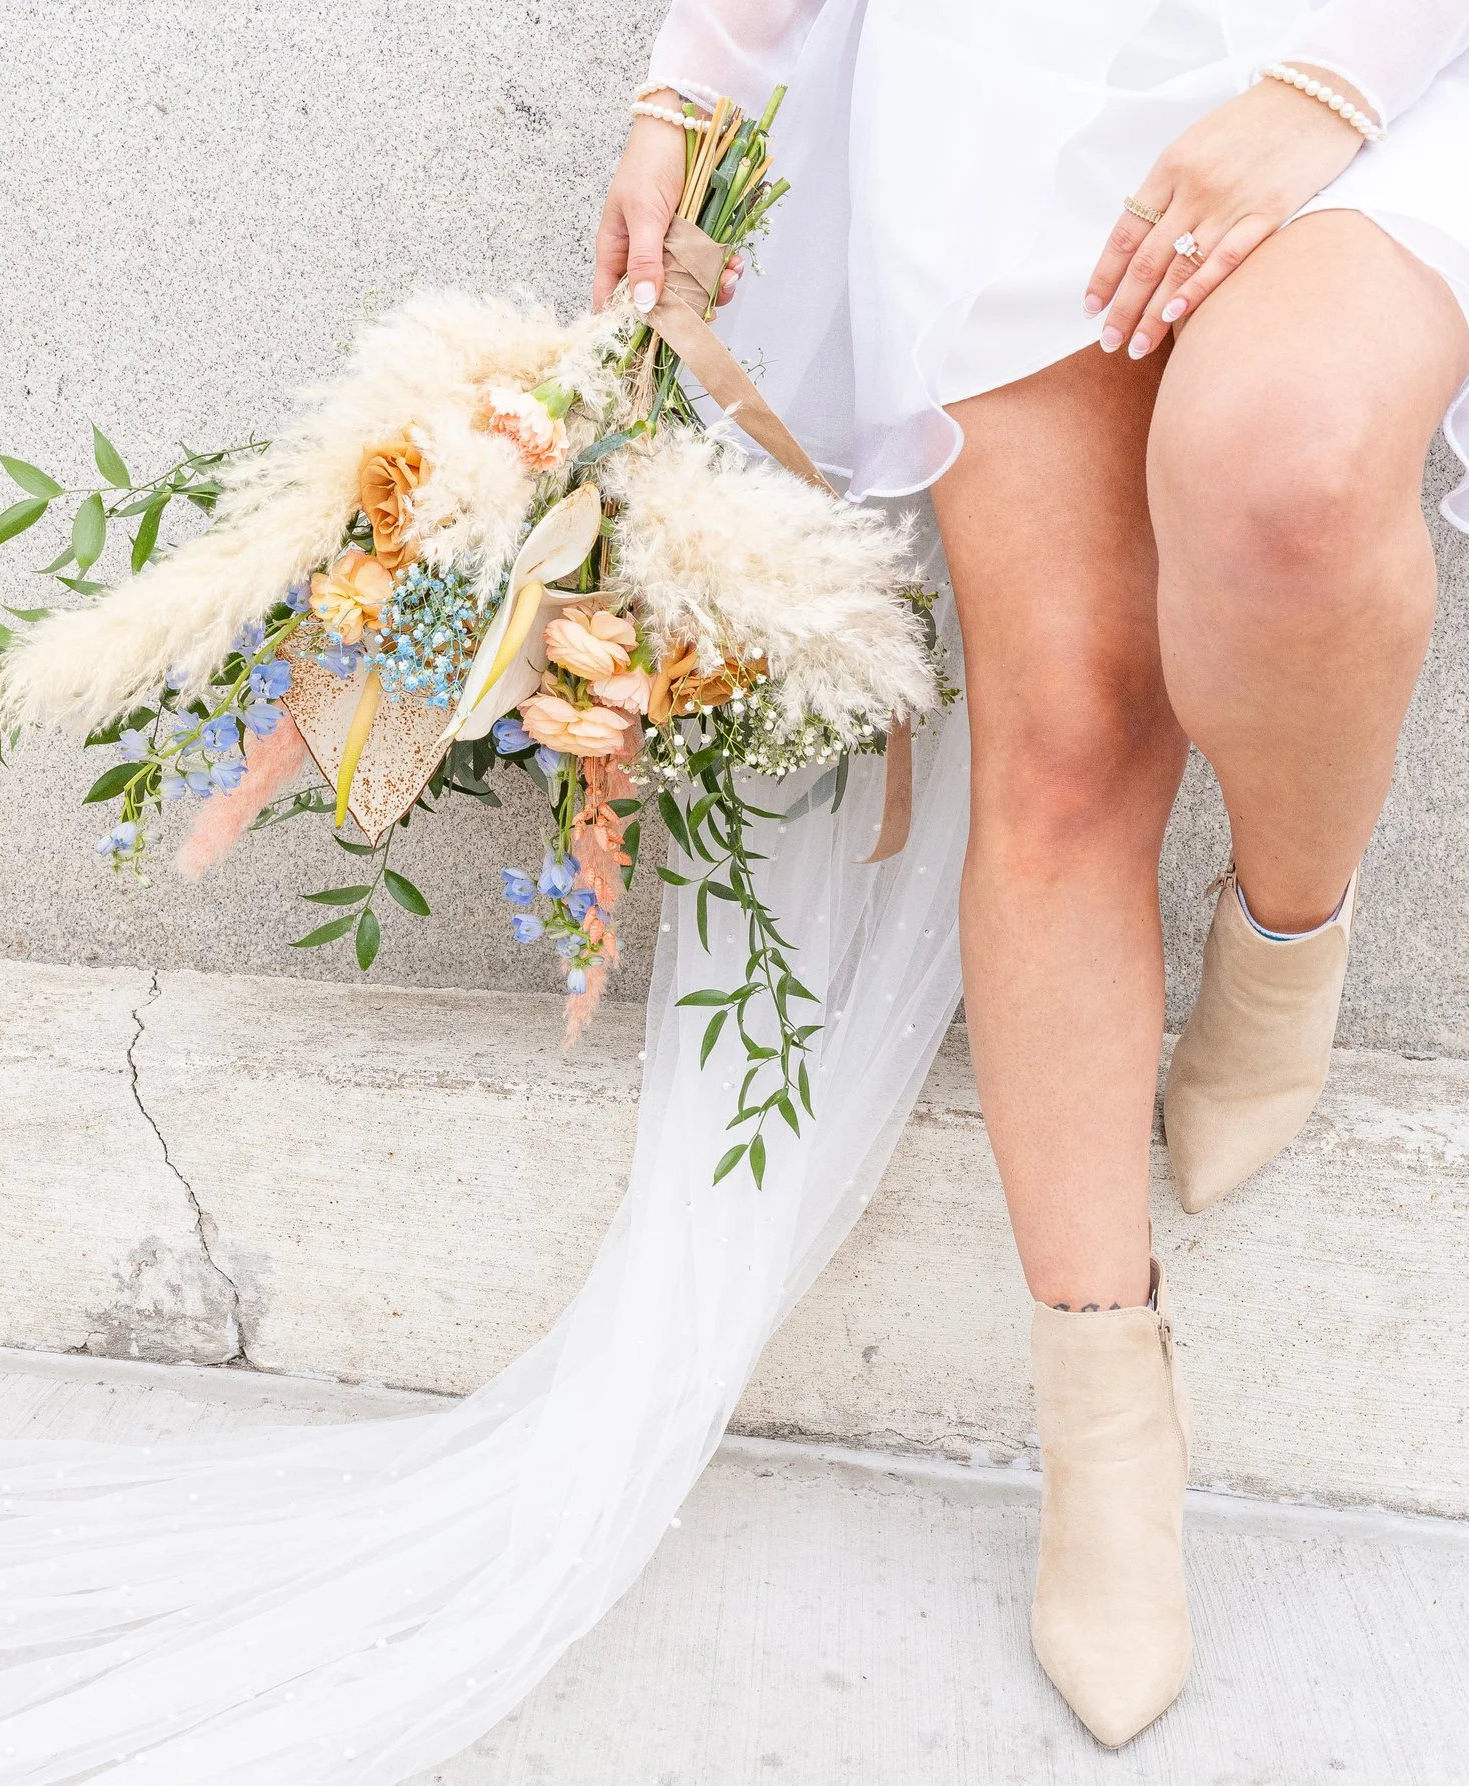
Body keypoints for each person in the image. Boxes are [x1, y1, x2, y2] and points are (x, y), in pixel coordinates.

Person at [593, 0, 1469, 1748]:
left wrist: (1330, 85)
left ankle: (1289, 928)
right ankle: (1105, 1409)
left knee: (1289, 480)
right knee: (1063, 732)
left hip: (1388, 54)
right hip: (1012, 67)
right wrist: (696, 75)